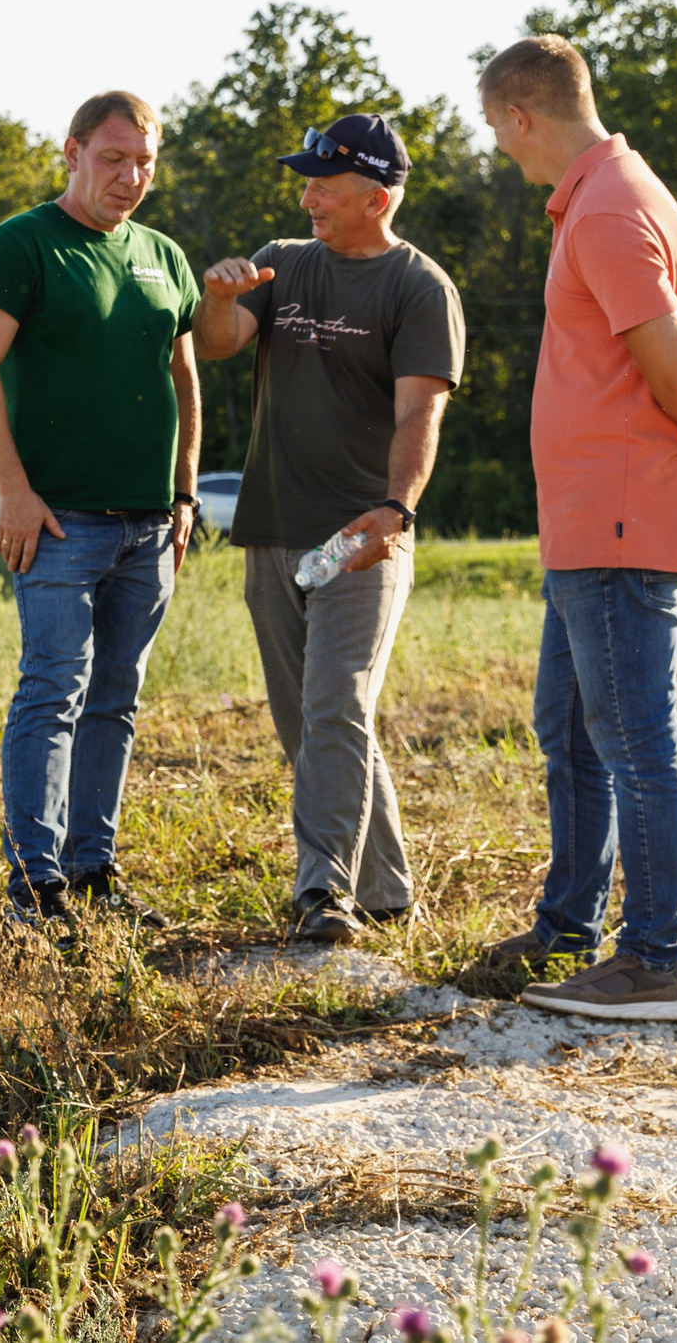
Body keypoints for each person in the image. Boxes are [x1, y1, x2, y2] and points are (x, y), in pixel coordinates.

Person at [477, 35, 677, 1020]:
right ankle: (569, 926)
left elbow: (671, 360)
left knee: (635, 742)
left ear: (521, 115)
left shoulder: (606, 208)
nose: (499, 149)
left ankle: (653, 960)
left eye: (495, 129)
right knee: (569, 731)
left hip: (619, 518)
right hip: (586, 523)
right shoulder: (604, 195)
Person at [193, 114, 464, 945]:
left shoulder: (419, 288)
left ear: (376, 198)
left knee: (337, 703)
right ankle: (387, 891)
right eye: (306, 184)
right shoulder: (285, 261)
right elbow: (217, 346)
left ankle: (324, 894)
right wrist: (218, 298)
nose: (307, 199)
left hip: (357, 537)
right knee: (305, 722)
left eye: (324, 186)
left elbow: (420, 414)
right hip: (274, 528)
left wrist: (396, 510)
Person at [0, 90, 201, 932]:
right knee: (53, 689)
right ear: (73, 153)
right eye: (113, 158)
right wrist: (14, 490)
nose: (130, 177)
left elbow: (184, 376)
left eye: (144, 163)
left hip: (149, 524)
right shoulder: (23, 244)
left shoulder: (163, 255)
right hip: (59, 521)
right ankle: (35, 882)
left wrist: (185, 492)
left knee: (115, 697)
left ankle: (94, 870)